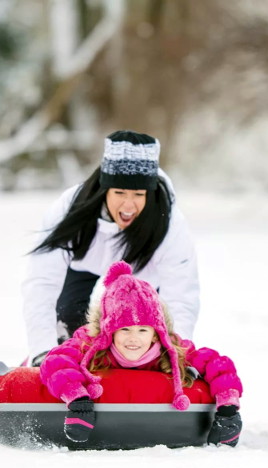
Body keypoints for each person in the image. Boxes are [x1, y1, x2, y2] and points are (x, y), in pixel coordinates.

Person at [23, 130, 199, 367]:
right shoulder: (70, 207)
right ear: (105, 190)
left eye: (138, 194)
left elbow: (181, 294)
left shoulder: (168, 220)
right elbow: (41, 282)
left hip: (142, 275)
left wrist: (175, 353)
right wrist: (42, 351)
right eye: (119, 193)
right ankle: (67, 369)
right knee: (67, 322)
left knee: (140, 332)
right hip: (82, 265)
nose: (128, 205)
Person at [40, 261, 243, 447]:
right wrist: (77, 399)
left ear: (156, 334)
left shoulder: (172, 349)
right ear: (109, 332)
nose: (133, 339)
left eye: (143, 330)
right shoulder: (89, 344)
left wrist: (228, 410)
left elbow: (218, 364)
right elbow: (57, 361)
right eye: (125, 330)